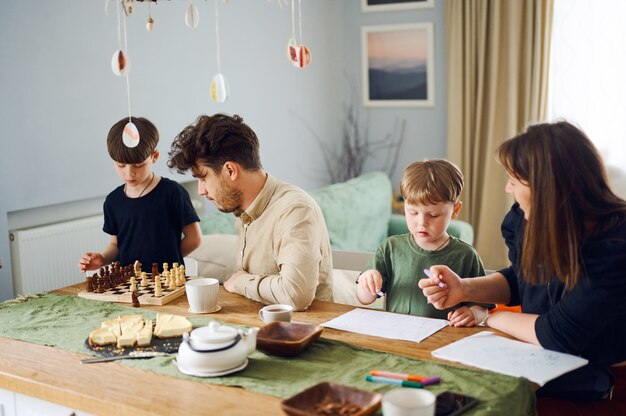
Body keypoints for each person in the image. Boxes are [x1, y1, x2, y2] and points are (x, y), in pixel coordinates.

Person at [419, 121, 626, 400]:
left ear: (547, 188)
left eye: (514, 181)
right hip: (539, 363)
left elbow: (558, 335)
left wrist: (491, 316)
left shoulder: (614, 247)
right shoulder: (528, 220)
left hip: (603, 381)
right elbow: (522, 278)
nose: (507, 188)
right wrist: (464, 288)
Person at [167, 113, 333, 311]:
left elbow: (295, 294)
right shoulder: (244, 213)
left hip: (303, 334)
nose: (201, 191)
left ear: (230, 170)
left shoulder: (294, 210)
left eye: (203, 178)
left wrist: (240, 282)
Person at [357, 160, 488, 326]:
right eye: (412, 212)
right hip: (396, 335)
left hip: (441, 340)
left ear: (455, 210)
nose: (421, 223)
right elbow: (364, 299)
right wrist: (367, 282)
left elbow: (483, 306)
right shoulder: (390, 248)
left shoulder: (466, 256)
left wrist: (473, 314)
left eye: (433, 215)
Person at [78, 116, 202, 273]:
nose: (129, 173)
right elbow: (116, 245)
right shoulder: (113, 201)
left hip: (166, 283)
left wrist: (168, 260)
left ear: (154, 157)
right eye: (121, 165)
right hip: (127, 283)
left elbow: (194, 239)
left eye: (138, 165)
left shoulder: (173, 193)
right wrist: (102, 259)